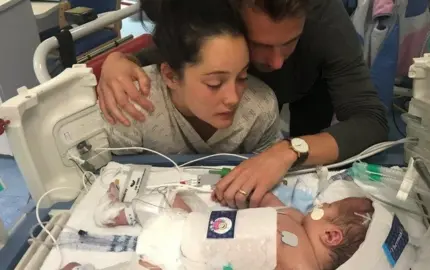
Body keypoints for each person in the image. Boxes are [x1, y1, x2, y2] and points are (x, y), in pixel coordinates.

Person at [96, 0, 389, 208]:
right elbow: (177, 53)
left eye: (290, 41)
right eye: (260, 44)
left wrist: (290, 150)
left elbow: (371, 120)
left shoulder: (324, 20)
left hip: (307, 94)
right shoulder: (215, 19)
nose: (276, 62)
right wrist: (120, 61)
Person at [103, 0, 281, 156]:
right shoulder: (131, 105)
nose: (233, 98)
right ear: (171, 76)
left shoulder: (259, 108)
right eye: (214, 84)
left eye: (242, 77)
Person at [70, 182, 373, 270]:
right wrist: (250, 191)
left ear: (331, 235)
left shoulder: (301, 266)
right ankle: (114, 213)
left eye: (325, 208)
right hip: (189, 224)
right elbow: (266, 201)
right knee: (168, 198)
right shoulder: (295, 217)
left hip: (184, 261)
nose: (318, 206)